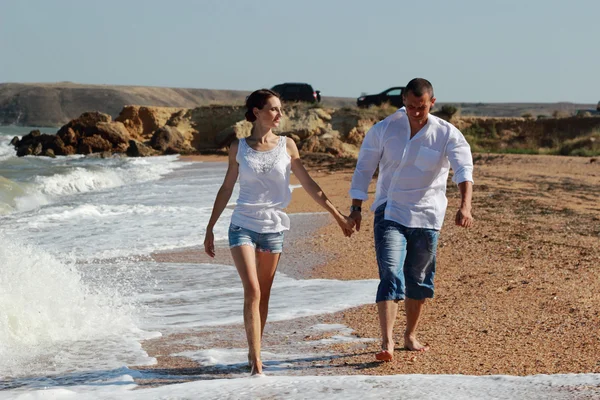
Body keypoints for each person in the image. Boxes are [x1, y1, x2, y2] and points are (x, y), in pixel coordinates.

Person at [203, 89, 355, 376]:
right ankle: (256, 359)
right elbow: (226, 188)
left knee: (265, 293)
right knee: (252, 289)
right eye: (273, 109)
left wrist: (337, 215)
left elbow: (309, 184)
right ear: (257, 112)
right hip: (242, 224)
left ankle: (254, 349)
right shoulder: (238, 148)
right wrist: (210, 227)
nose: (279, 115)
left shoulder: (287, 146)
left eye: (280, 109)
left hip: (273, 228)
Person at [348, 78, 474, 361]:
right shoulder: (385, 129)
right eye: (410, 106)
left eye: (421, 106)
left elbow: (464, 169)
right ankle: (387, 341)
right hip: (390, 211)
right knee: (391, 273)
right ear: (403, 101)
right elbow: (364, 167)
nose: (416, 112)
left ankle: (410, 336)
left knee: (418, 278)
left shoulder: (447, 133)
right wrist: (356, 207)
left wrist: (465, 206)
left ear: (432, 102)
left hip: (427, 215)